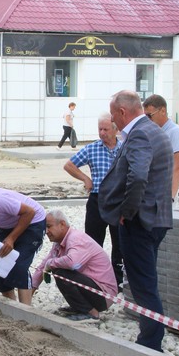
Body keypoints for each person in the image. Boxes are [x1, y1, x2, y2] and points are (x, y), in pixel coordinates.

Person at [99, 90, 173, 352]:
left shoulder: (140, 133)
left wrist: (127, 212)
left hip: (141, 221)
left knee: (143, 284)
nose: (112, 120)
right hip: (155, 218)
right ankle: (150, 337)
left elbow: (139, 177)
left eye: (112, 114)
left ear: (122, 112)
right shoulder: (153, 130)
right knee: (146, 279)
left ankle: (150, 343)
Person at [63, 113, 123, 287]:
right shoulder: (92, 148)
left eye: (106, 129)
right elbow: (69, 165)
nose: (102, 133)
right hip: (97, 199)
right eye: (100, 129)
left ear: (115, 130)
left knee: (119, 241)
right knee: (93, 241)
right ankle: (93, 278)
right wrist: (85, 179)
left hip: (118, 201)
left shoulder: (124, 148)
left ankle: (117, 281)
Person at [31, 209, 118, 321]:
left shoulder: (75, 239)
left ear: (62, 224)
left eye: (49, 226)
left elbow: (73, 263)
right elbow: (43, 267)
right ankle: (80, 308)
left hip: (104, 295)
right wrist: (29, 293)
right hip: (94, 290)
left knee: (60, 272)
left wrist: (50, 264)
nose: (46, 231)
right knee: (58, 269)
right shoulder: (59, 243)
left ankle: (91, 312)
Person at [0, 187, 46, 305]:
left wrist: (11, 238)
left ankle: (26, 308)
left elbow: (30, 212)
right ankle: (11, 304)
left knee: (19, 265)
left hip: (33, 220)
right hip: (9, 223)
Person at [142, 94, 179, 200]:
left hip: (164, 195)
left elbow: (177, 167)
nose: (147, 119)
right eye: (145, 116)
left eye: (150, 115)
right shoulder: (154, 132)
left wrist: (171, 197)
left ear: (162, 111)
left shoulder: (175, 132)